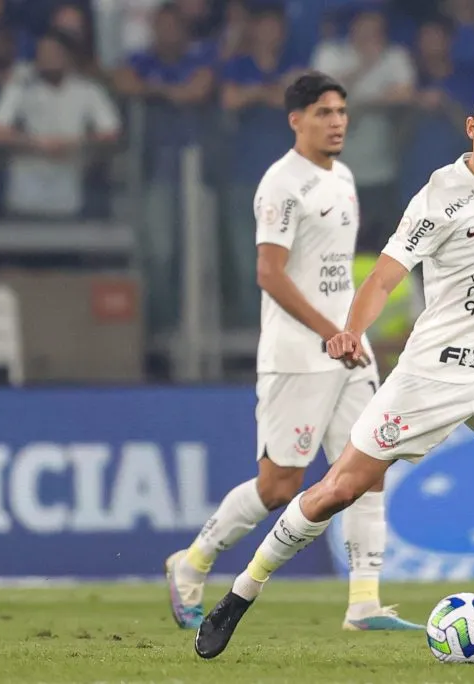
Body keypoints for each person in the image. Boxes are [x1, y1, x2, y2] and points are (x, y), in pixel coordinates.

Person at [195, 82, 474, 659]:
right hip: (432, 376)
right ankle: (240, 593)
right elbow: (383, 277)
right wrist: (351, 332)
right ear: (471, 128)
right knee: (339, 489)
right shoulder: (439, 197)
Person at [164, 71, 420, 634]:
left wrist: (347, 330)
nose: (337, 123)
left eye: (342, 112)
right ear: (295, 119)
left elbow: (329, 273)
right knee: (280, 486)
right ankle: (194, 560)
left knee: (368, 468)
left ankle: (364, 604)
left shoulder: (345, 177)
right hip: (297, 356)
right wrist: (332, 330)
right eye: (325, 113)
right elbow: (269, 274)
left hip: (346, 350)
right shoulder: (281, 184)